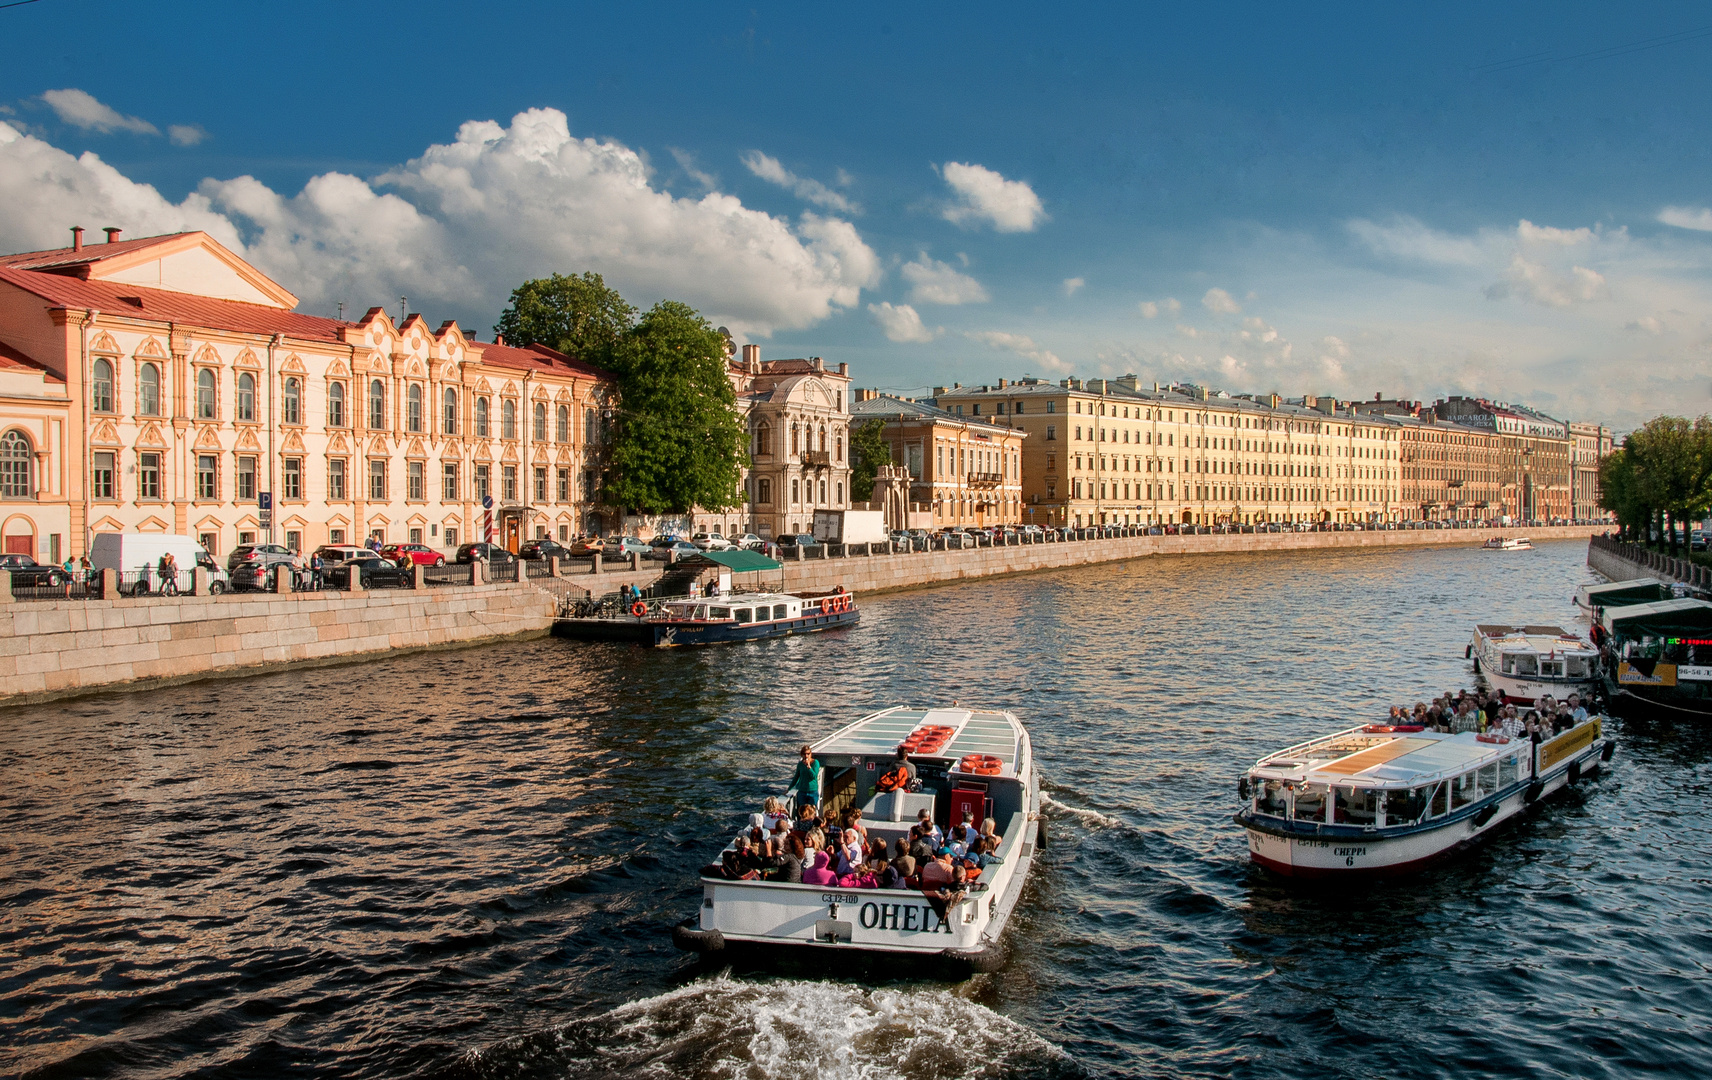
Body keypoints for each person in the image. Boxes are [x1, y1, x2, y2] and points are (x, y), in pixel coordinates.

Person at [788, 745, 820, 809]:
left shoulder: (815, 763)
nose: (806, 756)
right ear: (801, 754)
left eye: (808, 754)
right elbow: (796, 777)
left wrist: (809, 767)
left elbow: (814, 776)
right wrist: (789, 789)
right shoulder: (800, 764)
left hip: (812, 791)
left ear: (811, 754)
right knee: (802, 811)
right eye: (804, 754)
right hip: (802, 791)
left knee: (812, 811)